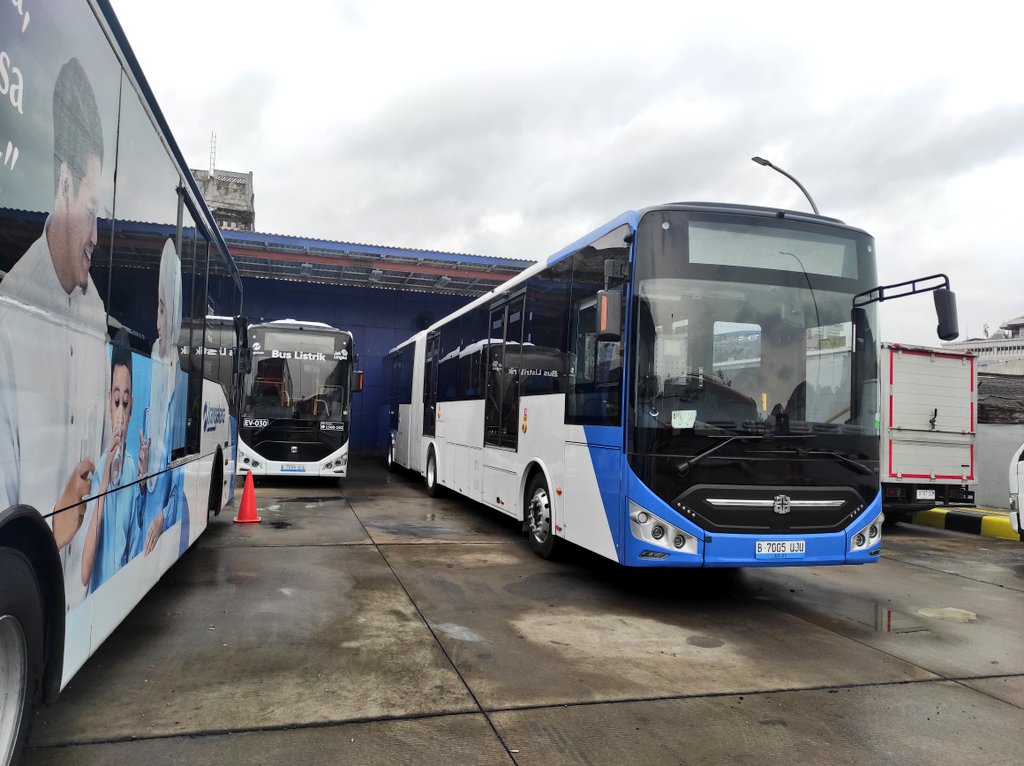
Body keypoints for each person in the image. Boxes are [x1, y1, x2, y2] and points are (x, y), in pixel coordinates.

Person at [0, 57, 109, 610]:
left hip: (82, 593)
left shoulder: (96, 314)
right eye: (91, 211)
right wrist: (54, 531)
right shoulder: (10, 319)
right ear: (63, 184)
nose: (96, 235)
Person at [133, 238, 189, 558]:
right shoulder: (152, 389)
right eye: (158, 306)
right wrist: (141, 480)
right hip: (143, 542)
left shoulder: (178, 391)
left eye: (165, 308)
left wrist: (161, 517)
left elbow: (178, 480)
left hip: (159, 539)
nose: (158, 321)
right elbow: (138, 509)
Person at [80, 331, 143, 592]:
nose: (120, 412)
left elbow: (137, 550)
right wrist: (103, 484)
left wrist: (142, 488)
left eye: (125, 402)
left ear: (132, 407)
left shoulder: (132, 466)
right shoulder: (100, 469)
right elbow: (84, 573)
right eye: (116, 401)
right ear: (108, 401)